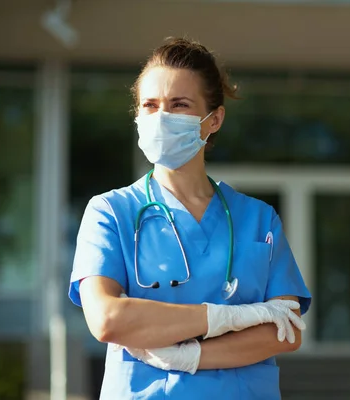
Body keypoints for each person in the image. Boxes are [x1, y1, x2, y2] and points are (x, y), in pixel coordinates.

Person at [68, 37, 312, 400]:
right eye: (150, 106)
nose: (161, 118)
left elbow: (287, 330)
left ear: (213, 119)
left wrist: (192, 356)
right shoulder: (110, 212)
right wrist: (227, 318)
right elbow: (107, 319)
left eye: (179, 105)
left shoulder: (258, 220)